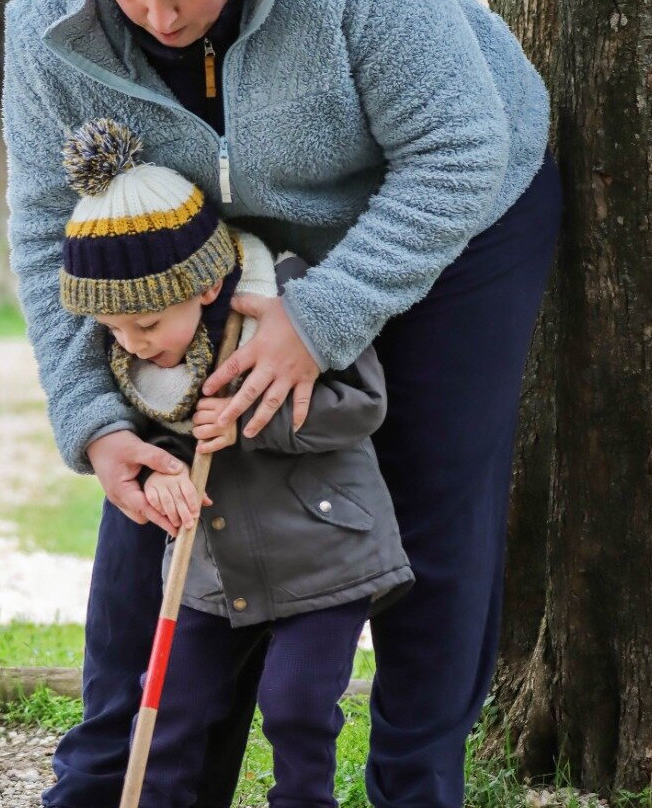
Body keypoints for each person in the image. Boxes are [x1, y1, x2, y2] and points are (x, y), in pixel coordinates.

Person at [1, 0, 564, 806]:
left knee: (427, 498)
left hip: (450, 208)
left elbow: (459, 149)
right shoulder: (43, 20)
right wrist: (94, 419)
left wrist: (318, 319)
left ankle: (416, 788)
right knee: (171, 492)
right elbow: (51, 223)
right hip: (210, 241)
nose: (160, 17)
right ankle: (117, 788)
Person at [55, 117, 414, 806]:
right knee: (166, 705)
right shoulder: (133, 358)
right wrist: (159, 472)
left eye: (146, 323)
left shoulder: (289, 301)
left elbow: (362, 405)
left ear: (204, 285)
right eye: (113, 328)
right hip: (210, 570)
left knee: (295, 708)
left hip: (323, 553)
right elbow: (153, 438)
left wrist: (253, 419)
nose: (133, 343)